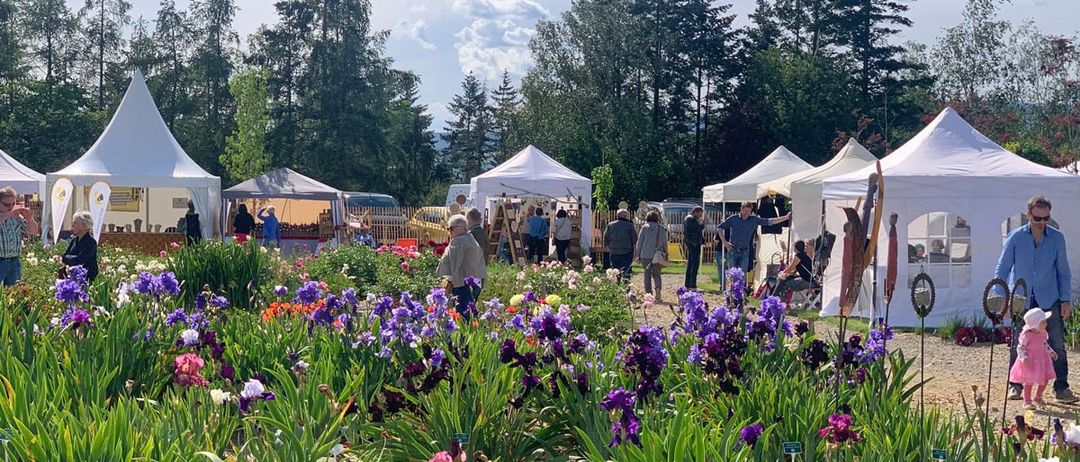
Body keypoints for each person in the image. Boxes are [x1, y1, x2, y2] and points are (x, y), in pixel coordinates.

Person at [997, 196, 1076, 403]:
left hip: (1049, 297)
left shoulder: (1057, 238)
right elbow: (1003, 268)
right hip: (1021, 298)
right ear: (1028, 214)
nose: (1042, 222)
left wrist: (1065, 299)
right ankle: (1015, 385)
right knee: (1018, 342)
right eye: (1037, 218)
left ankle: (1061, 387)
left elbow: (1063, 272)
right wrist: (1001, 298)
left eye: (1046, 218)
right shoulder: (1015, 237)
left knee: (1057, 343)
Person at [715, 201, 790, 285]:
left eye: (749, 211)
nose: (747, 213)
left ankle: (739, 295)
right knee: (732, 275)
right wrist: (725, 242)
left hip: (744, 252)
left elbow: (769, 221)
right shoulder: (733, 219)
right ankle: (730, 294)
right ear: (741, 209)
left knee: (742, 275)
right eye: (745, 210)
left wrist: (786, 217)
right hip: (733, 250)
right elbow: (720, 228)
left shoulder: (754, 220)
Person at [436, 214, 487, 318]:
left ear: (462, 228)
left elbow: (454, 264)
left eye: (451, 228)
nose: (449, 231)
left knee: (462, 315)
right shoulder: (470, 238)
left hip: (462, 283)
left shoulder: (459, 241)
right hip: (476, 281)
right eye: (448, 228)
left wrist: (450, 282)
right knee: (471, 313)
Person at [1010, 308, 1058, 409]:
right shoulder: (1026, 335)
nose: (1046, 324)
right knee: (1029, 381)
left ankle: (1038, 396)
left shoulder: (1043, 333)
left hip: (1043, 359)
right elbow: (1020, 348)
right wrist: (1023, 358)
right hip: (1031, 360)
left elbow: (1044, 344)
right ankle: (1027, 401)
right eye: (1043, 322)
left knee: (1045, 378)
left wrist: (1051, 352)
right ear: (1035, 324)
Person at [0, 186, 38, 286]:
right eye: (7, 205)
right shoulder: (9, 214)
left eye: (13, 204)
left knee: (14, 295)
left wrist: (29, 218)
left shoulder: (16, 217)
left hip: (14, 262)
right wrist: (10, 212)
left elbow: (33, 231)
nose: (11, 207)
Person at [636, 211, 668, 301]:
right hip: (657, 254)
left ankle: (648, 294)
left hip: (645, 254)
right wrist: (667, 253)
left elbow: (640, 242)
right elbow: (665, 243)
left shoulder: (645, 228)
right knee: (657, 274)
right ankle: (658, 290)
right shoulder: (661, 228)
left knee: (647, 275)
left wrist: (637, 255)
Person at [61, 211, 99, 281]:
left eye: (75, 223)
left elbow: (80, 259)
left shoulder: (91, 242)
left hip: (86, 278)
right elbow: (65, 255)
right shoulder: (74, 240)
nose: (72, 225)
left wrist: (66, 258)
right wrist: (65, 258)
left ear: (84, 225)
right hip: (72, 276)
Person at [604, 209, 637, 281]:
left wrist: (608, 246)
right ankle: (625, 285)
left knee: (615, 270)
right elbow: (634, 238)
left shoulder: (610, 225)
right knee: (626, 270)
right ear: (625, 216)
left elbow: (606, 237)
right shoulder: (629, 225)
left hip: (614, 251)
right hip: (627, 251)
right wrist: (635, 250)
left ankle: (616, 285)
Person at [683, 206, 704, 290]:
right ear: (696, 212)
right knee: (694, 264)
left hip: (692, 243)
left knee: (691, 264)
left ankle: (688, 284)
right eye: (700, 213)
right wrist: (701, 223)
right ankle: (692, 285)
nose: (701, 215)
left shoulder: (689, 219)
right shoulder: (691, 219)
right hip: (693, 243)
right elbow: (698, 229)